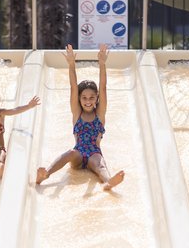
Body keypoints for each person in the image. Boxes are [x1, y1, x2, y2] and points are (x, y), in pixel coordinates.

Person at [35, 44, 124, 191]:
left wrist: (102, 64)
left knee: (100, 163)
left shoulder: (100, 115)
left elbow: (103, 87)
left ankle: (108, 181)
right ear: (79, 99)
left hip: (94, 153)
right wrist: (71, 64)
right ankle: (46, 174)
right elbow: (73, 87)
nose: (88, 101)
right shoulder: (77, 113)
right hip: (78, 154)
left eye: (91, 97)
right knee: (70, 153)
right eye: (84, 98)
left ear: (97, 99)